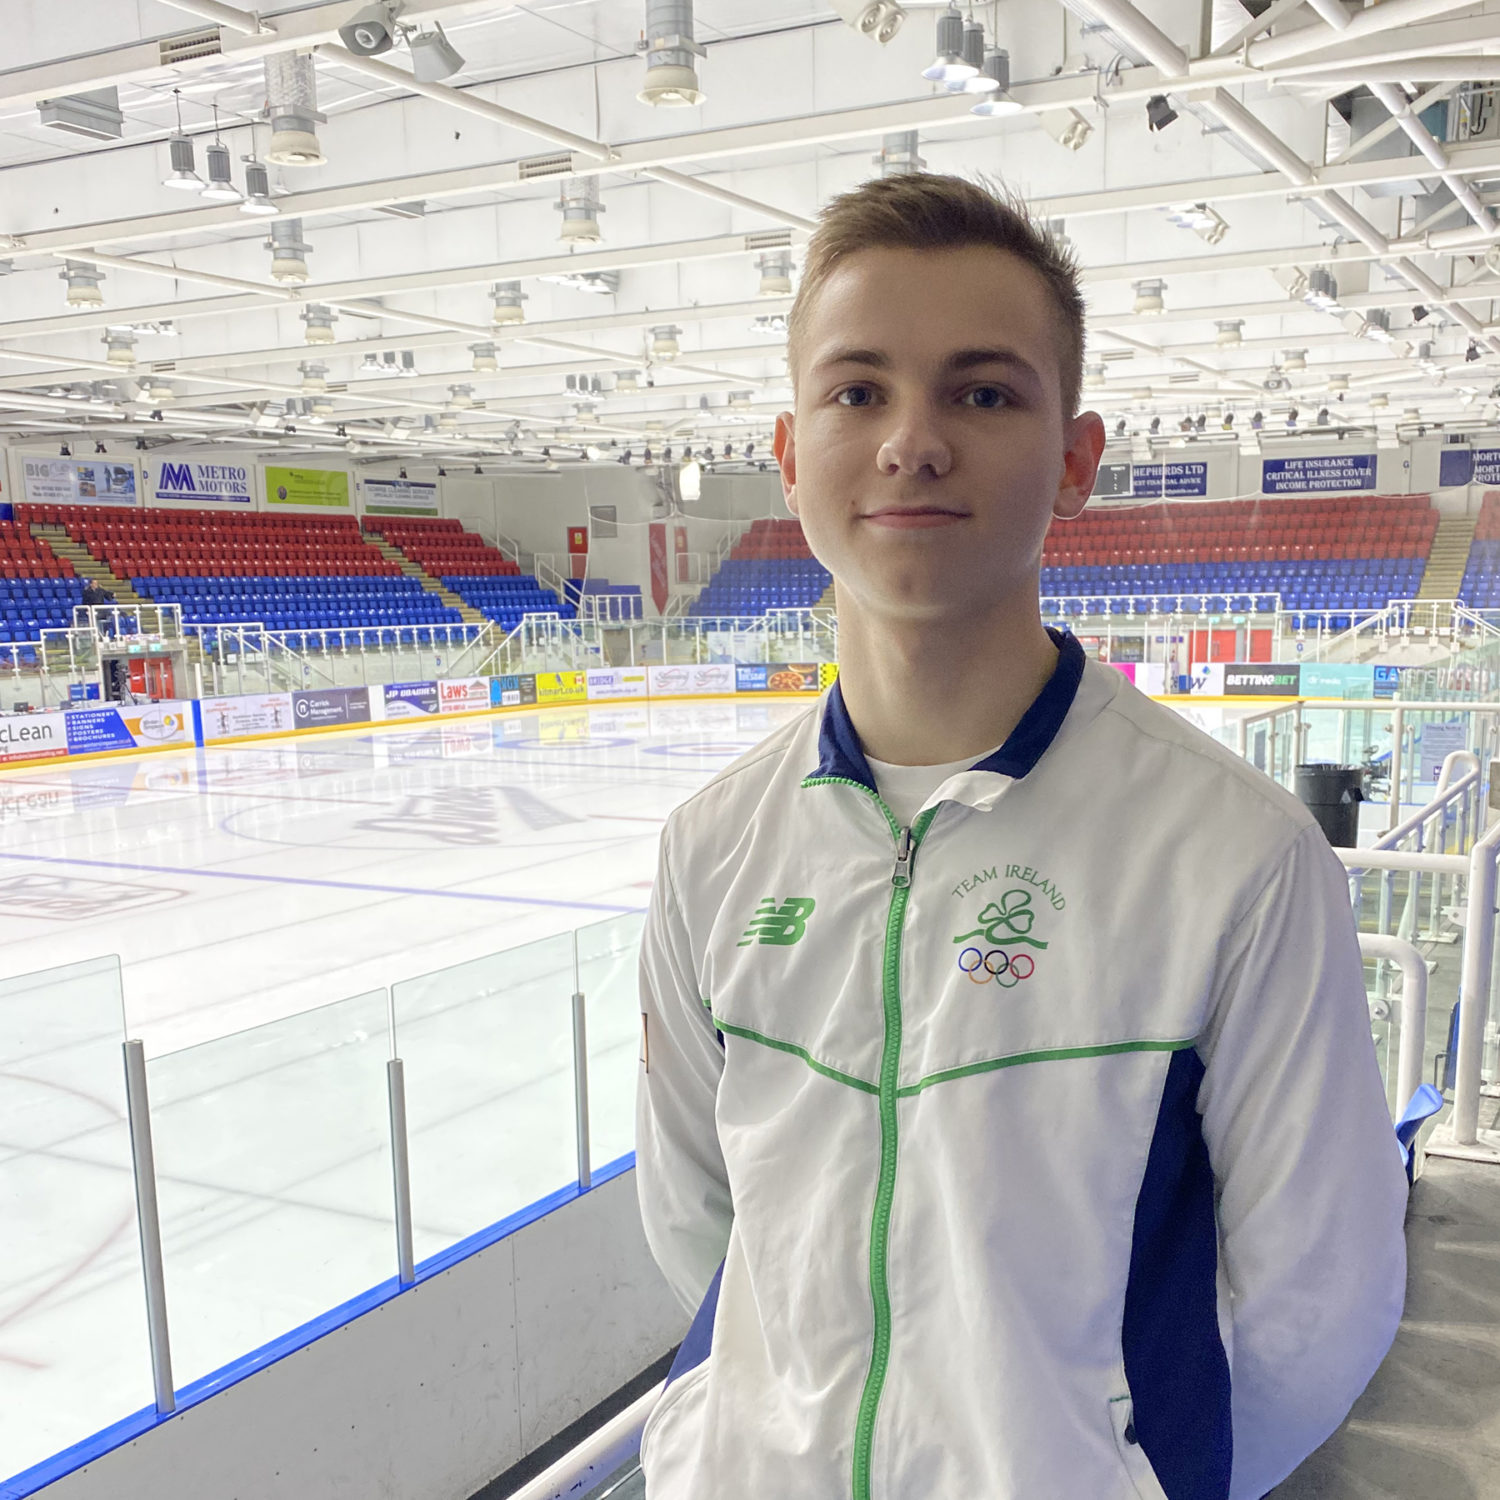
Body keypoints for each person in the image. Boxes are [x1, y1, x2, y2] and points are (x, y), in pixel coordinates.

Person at [635, 173, 1407, 1500]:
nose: (912, 442)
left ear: (1076, 459)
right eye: (857, 391)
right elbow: (698, 1220)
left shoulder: (1237, 858)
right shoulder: (712, 845)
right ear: (790, 451)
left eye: (983, 394)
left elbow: (1316, 1307)